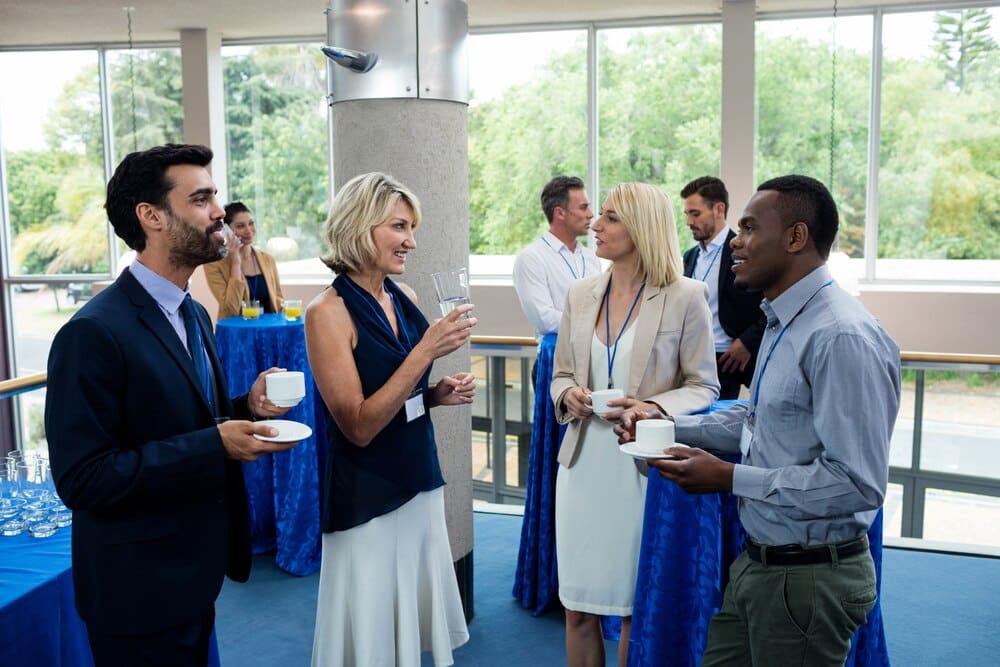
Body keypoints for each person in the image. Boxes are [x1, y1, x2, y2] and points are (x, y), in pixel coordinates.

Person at [618, 175, 901, 666]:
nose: (736, 242)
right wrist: (659, 424)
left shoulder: (840, 336)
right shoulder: (782, 319)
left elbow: (856, 484)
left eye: (748, 229)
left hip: (810, 579)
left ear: (796, 237)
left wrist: (729, 478)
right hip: (760, 563)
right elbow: (754, 419)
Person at [45, 143, 298, 667]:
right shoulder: (92, 333)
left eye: (216, 198)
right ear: (151, 216)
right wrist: (215, 444)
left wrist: (244, 406)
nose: (219, 213)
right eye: (202, 199)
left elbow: (181, 417)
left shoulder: (193, 314)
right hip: (136, 587)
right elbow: (84, 478)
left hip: (191, 571)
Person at [306, 172, 474, 667]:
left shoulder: (406, 298)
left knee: (409, 636)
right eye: (399, 226)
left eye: (412, 228)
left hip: (419, 477)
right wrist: (425, 353)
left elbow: (401, 398)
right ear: (361, 226)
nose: (412, 241)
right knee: (372, 640)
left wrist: (436, 397)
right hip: (367, 495)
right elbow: (357, 425)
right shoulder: (327, 312)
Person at [549, 182, 719, 666]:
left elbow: (704, 386)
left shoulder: (686, 295)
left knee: (630, 610)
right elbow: (560, 374)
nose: (595, 226)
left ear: (642, 227)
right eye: (598, 215)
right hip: (581, 468)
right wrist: (571, 395)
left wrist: (652, 407)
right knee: (577, 608)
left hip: (638, 472)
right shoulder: (580, 294)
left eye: (610, 217)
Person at [681, 176, 765, 399]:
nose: (689, 221)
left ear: (719, 209)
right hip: (692, 357)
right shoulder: (689, 257)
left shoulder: (743, 250)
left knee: (719, 426)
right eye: (687, 214)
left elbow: (769, 303)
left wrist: (747, 342)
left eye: (695, 213)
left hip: (728, 356)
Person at [512, 176, 601, 382]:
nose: (591, 215)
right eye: (583, 207)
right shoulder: (532, 258)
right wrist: (595, 323)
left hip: (592, 363)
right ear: (560, 212)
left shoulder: (591, 257)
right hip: (554, 364)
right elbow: (544, 320)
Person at [202, 201, 285, 319]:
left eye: (251, 223)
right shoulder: (214, 264)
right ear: (227, 230)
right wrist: (236, 262)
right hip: (236, 334)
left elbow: (278, 301)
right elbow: (230, 310)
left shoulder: (268, 260)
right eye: (241, 226)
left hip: (269, 332)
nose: (248, 230)